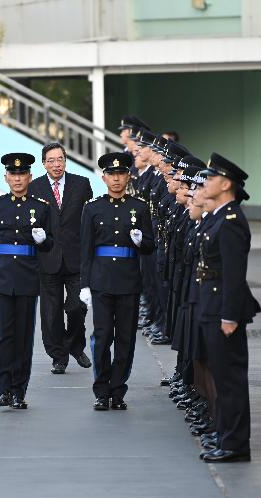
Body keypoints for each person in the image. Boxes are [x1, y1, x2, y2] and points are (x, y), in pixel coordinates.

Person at [195, 153, 260, 463]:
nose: (205, 182)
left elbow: (234, 273)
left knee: (230, 379)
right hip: (212, 304)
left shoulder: (231, 220)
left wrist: (229, 315)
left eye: (210, 178)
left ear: (225, 184)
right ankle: (225, 436)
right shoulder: (220, 215)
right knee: (222, 377)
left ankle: (235, 443)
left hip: (223, 308)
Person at [80, 152, 154, 410]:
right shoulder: (92, 208)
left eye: (121, 174)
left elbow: (150, 246)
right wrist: (84, 284)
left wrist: (140, 241)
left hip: (128, 281)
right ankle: (101, 390)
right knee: (102, 337)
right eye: (111, 175)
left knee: (125, 339)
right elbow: (86, 249)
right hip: (101, 281)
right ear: (103, 177)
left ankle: (118, 390)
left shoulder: (140, 207)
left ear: (128, 176)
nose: (116, 179)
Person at [0, 153, 53, 409]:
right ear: (6, 177)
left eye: (22, 174)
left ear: (30, 177)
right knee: (3, 336)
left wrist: (42, 240)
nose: (18, 178)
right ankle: (3, 389)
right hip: (0, 277)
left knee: (23, 337)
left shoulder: (42, 207)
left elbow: (50, 245)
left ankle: (19, 390)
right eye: (13, 174)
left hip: (26, 278)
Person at [28, 142, 93, 374]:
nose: (57, 164)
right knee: (51, 312)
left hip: (76, 257)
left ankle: (75, 345)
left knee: (77, 306)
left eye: (60, 159)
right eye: (51, 160)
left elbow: (89, 222)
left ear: (66, 160)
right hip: (47, 257)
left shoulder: (81, 184)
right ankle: (58, 356)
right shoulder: (34, 187)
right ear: (44, 163)